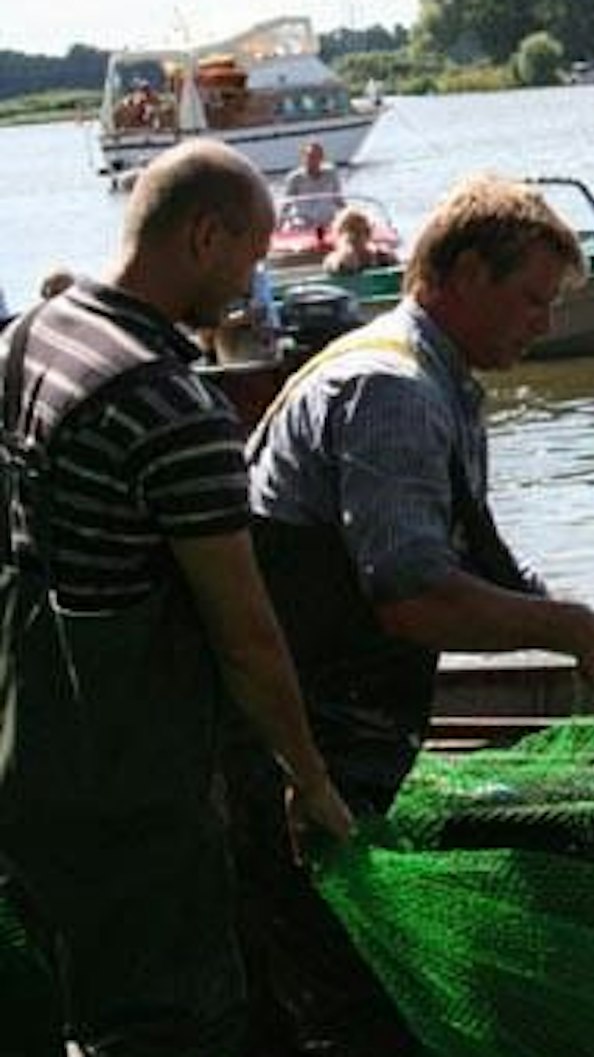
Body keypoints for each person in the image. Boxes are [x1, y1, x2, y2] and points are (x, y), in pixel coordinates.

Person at [230, 173, 594, 1055]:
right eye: (531, 299)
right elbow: (412, 598)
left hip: (338, 739)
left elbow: (475, 555)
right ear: (466, 274)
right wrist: (567, 629)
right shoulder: (394, 390)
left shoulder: (437, 375)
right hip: (294, 752)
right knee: (332, 1006)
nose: (544, 324)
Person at [0, 139, 354, 1057]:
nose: (253, 282)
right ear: (205, 236)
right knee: (170, 1016)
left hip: (25, 727)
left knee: (78, 973)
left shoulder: (33, 333)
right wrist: (308, 779)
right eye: (252, 253)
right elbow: (246, 635)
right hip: (131, 761)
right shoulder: (174, 408)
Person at [282, 140, 342, 230]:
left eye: (317, 156)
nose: (313, 160)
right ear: (303, 158)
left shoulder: (331, 174)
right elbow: (286, 206)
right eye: (310, 157)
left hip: (328, 223)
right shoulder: (295, 178)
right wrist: (278, 227)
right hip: (303, 224)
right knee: (296, 224)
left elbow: (338, 200)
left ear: (322, 158)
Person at [322, 205, 397, 274]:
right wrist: (347, 252)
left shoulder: (380, 256)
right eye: (349, 230)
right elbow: (337, 266)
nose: (353, 236)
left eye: (358, 231)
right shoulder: (333, 260)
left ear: (368, 234)